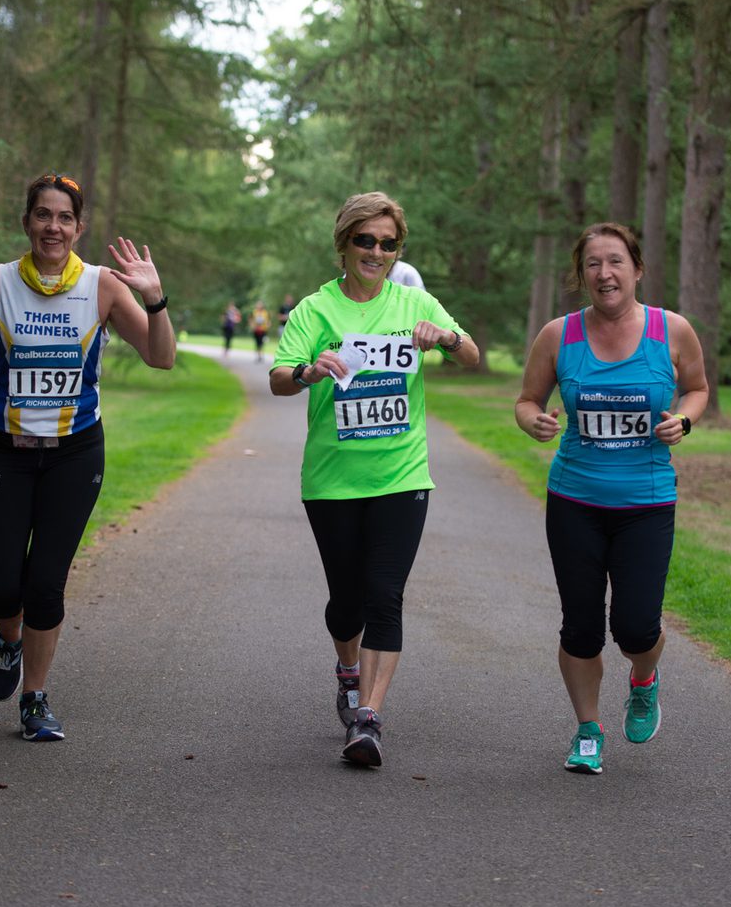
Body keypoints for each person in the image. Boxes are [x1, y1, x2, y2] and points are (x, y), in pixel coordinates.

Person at [0, 171, 175, 742]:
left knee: (45, 582)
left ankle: (35, 699)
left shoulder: (102, 286)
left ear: (79, 226)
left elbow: (161, 357)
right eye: (43, 214)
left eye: (65, 216)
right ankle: (10, 638)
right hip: (3, 447)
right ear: (27, 223)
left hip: (74, 453)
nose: (54, 226)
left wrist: (153, 297)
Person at [270, 192, 480, 767]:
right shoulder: (316, 311)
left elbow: (472, 356)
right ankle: (346, 668)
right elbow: (279, 378)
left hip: (401, 474)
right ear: (344, 243)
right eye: (366, 240)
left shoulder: (415, 303)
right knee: (347, 603)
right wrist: (312, 370)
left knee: (385, 595)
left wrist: (448, 338)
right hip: (333, 479)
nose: (377, 251)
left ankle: (368, 717)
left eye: (388, 243)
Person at [513, 221, 708, 775]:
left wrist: (685, 422)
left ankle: (643, 679)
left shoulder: (671, 331)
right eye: (594, 264)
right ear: (582, 275)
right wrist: (535, 423)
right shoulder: (559, 335)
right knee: (580, 626)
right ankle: (589, 730)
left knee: (637, 627)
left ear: (637, 269)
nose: (605, 273)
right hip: (574, 500)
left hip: (646, 503)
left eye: (616, 261)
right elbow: (527, 400)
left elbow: (697, 388)